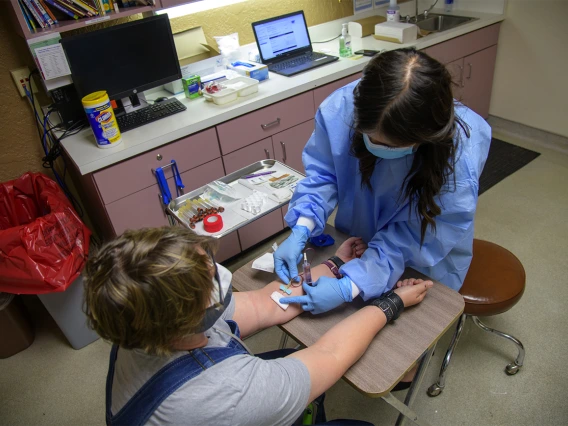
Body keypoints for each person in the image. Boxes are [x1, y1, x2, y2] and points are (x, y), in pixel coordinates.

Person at [84, 226, 433, 426]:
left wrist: (337, 265)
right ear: (190, 314)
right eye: (211, 279)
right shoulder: (233, 393)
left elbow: (267, 303)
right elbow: (331, 352)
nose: (222, 275)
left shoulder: (142, 320)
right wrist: (391, 303)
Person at [276, 48, 491, 315]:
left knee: (407, 337)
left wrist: (352, 285)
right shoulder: (344, 108)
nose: (377, 148)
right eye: (370, 137)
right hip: (359, 238)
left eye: (389, 145)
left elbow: (415, 236)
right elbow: (324, 173)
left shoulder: (460, 155)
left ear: (425, 138)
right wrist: (303, 226)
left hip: (422, 253)